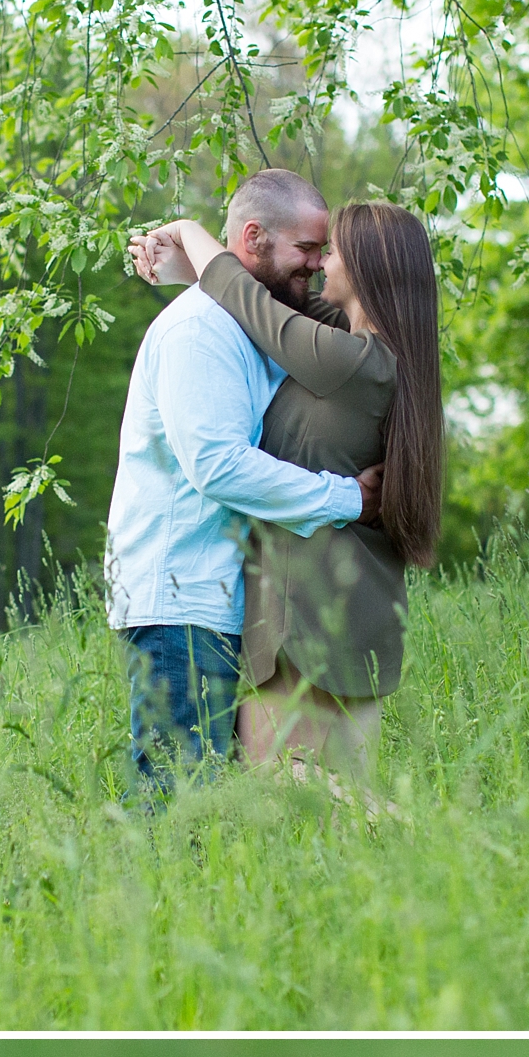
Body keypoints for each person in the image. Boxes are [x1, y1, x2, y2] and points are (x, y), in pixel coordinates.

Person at [136, 200, 444, 793]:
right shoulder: (375, 355)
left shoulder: (346, 361)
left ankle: (419, 836)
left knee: (284, 790)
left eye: (334, 251)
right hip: (366, 613)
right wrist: (185, 272)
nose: (324, 260)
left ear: (370, 268)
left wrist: (190, 232)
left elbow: (253, 305)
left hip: (302, 613)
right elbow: (270, 300)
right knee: (341, 824)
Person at [105, 169, 383, 791]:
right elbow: (218, 465)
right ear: (253, 238)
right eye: (306, 250)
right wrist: (349, 499)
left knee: (216, 800)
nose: (316, 266)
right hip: (181, 600)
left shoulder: (250, 325)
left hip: (220, 600)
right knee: (175, 799)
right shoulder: (199, 331)